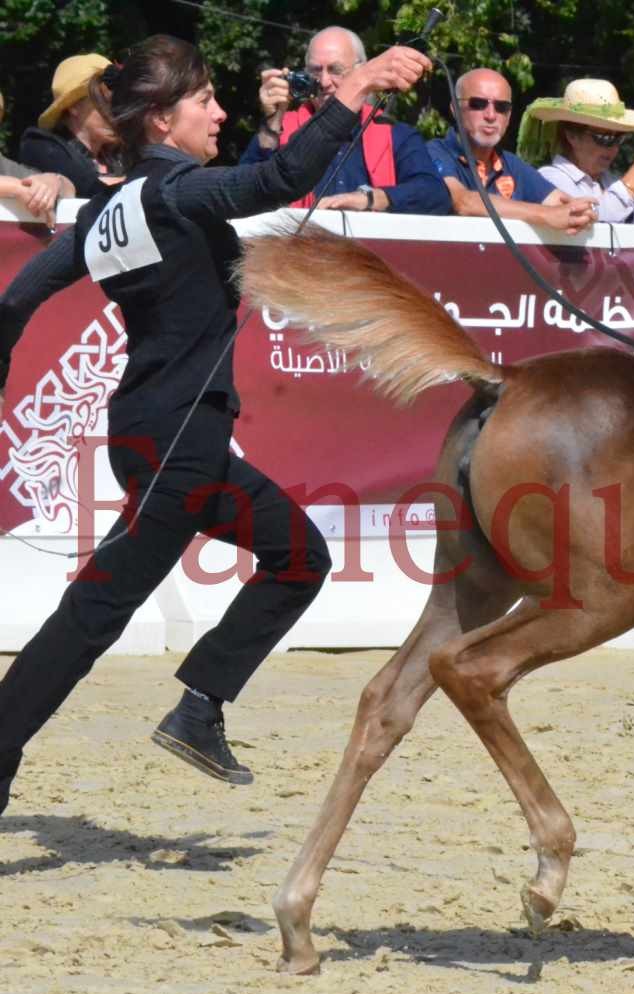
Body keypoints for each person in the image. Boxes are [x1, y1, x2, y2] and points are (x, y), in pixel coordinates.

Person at [0, 34, 432, 817]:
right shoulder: (176, 193)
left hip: (161, 439)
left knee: (299, 556)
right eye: (205, 100)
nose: (220, 111)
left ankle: (200, 705)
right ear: (161, 121)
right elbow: (285, 174)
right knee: (94, 614)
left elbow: (16, 300)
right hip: (179, 446)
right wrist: (358, 84)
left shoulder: (107, 209)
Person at [242, 26, 447, 215]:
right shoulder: (283, 127)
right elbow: (243, 191)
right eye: (315, 71)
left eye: (335, 70)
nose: (324, 82)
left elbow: (435, 195)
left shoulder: (394, 133)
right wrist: (273, 121)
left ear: (362, 70)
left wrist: (369, 198)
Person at [427, 67, 595, 233]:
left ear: (509, 115)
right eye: (478, 104)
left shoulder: (513, 165)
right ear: (455, 109)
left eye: (501, 107)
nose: (491, 115)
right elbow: (463, 202)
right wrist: (545, 215)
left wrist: (581, 214)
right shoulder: (433, 152)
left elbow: (563, 206)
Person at [526, 79, 634, 226]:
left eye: (619, 138)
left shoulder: (612, 183)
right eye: (604, 138)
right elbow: (600, 219)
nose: (614, 148)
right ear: (571, 136)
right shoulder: (548, 179)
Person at [18, 53, 124, 195]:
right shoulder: (40, 146)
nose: (117, 112)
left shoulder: (122, 155)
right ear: (73, 106)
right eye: (106, 101)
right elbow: (87, 187)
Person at [1, 90, 73, 227]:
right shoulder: (16, 182)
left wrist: (53, 182)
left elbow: (69, 190)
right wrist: (14, 188)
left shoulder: (6, 167)